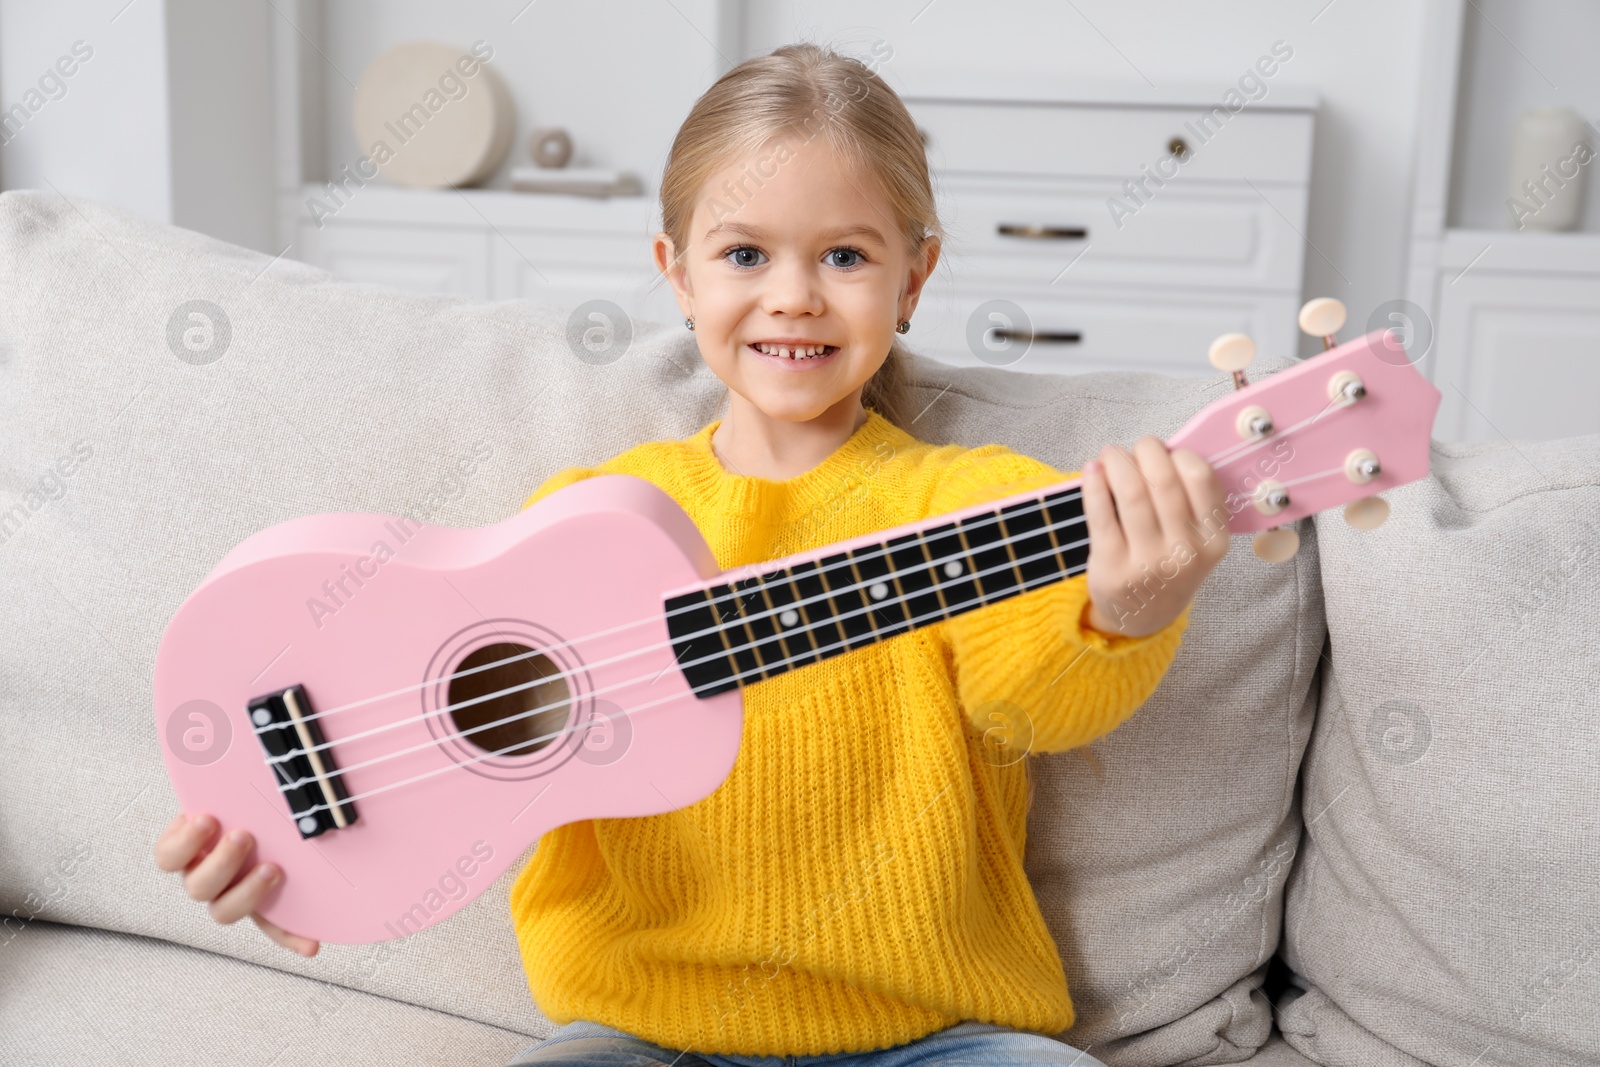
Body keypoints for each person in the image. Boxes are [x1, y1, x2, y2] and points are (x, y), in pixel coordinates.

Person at [155, 41, 1230, 1067]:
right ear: (676, 273)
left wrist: (1125, 607)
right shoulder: (588, 512)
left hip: (938, 1033)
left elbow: (1036, 695)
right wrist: (305, 863)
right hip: (639, 1031)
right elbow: (428, 728)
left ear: (914, 277)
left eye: (846, 255)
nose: (794, 293)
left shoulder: (973, 501)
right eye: (745, 253)